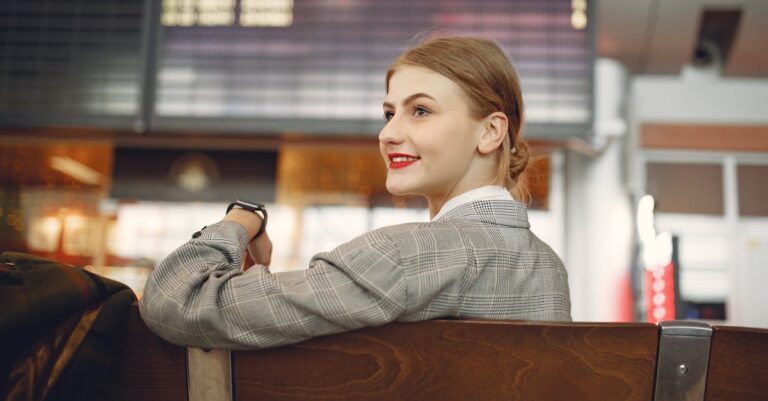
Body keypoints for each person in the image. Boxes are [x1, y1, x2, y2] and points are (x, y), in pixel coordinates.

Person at [139, 36, 571, 350]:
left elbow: (177, 302)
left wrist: (242, 219)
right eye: (389, 113)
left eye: (420, 111)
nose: (388, 133)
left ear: (491, 131)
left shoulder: (406, 255)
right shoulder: (549, 269)